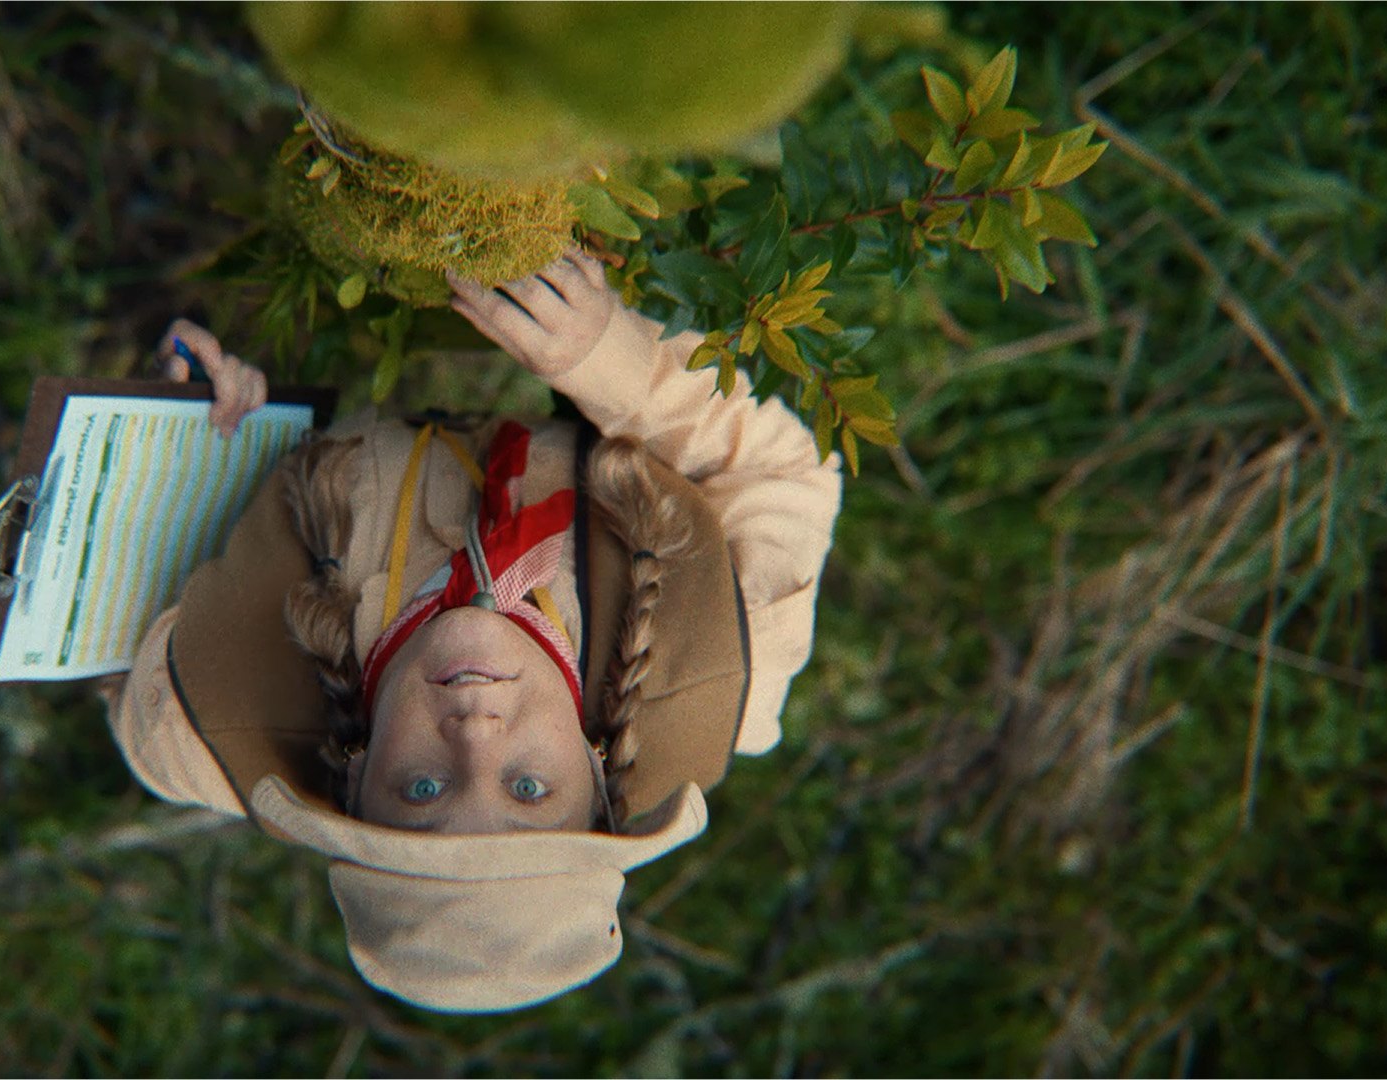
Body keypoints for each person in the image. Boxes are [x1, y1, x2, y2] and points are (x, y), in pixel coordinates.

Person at [104, 248, 842, 1011]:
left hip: (326, 288)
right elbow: (786, 473)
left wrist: (177, 413)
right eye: (529, 788)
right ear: (599, 781)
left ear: (354, 785)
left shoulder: (189, 728)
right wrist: (610, 361)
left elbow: (89, 608)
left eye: (423, 789)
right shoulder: (735, 657)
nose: (476, 732)